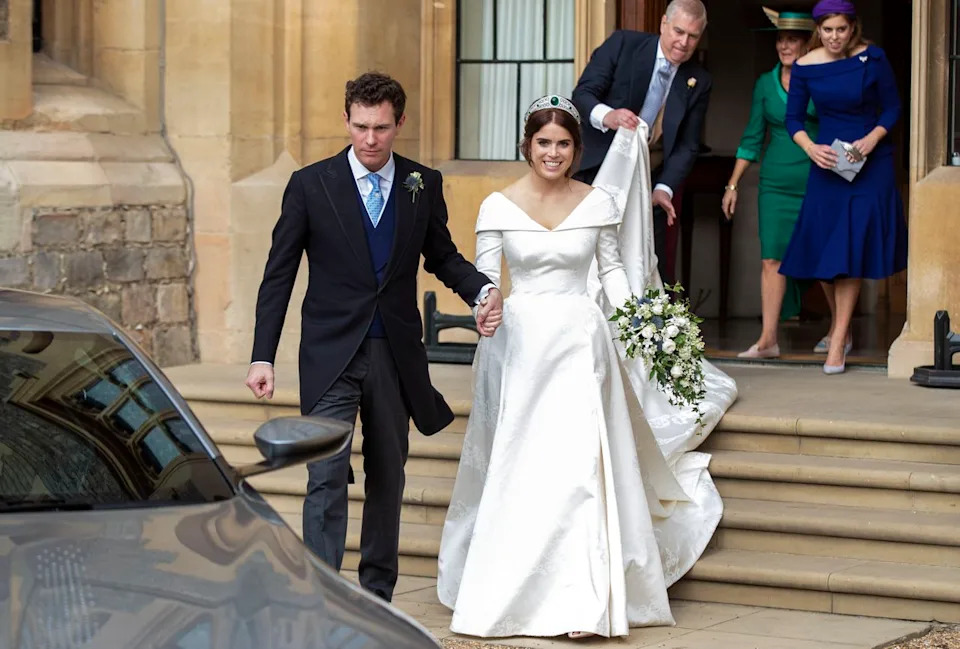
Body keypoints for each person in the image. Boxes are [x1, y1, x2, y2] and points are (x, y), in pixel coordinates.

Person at [437, 96, 732, 639]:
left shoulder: (597, 202)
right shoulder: (497, 206)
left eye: (564, 143)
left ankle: (586, 598)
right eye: (544, 142)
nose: (553, 153)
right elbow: (484, 279)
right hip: (520, 348)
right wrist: (485, 307)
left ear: (577, 149)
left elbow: (612, 271)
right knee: (524, 468)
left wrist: (642, 323)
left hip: (580, 342)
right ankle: (512, 589)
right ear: (527, 146)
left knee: (579, 469)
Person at [244, 72, 503, 602]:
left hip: (394, 353)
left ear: (398, 123)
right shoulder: (310, 185)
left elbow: (442, 256)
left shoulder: (422, 183)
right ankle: (321, 597)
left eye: (381, 128)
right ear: (346, 120)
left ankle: (376, 597)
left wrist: (480, 292)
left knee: (388, 474)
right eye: (360, 126)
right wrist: (261, 356)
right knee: (325, 475)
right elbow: (279, 273)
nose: (369, 139)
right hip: (330, 354)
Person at [780, 0, 907, 374]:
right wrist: (809, 147)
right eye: (827, 29)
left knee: (849, 249)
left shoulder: (874, 58)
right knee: (823, 248)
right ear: (818, 30)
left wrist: (873, 138)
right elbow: (793, 118)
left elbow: (893, 108)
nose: (835, 37)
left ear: (853, 28)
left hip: (870, 161)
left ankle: (837, 340)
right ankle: (843, 327)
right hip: (829, 161)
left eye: (841, 29)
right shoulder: (805, 67)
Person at [572, 0, 711, 285]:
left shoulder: (699, 79)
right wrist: (608, 115)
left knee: (648, 265)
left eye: (693, 36)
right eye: (678, 31)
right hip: (596, 171)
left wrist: (664, 189)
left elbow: (687, 144)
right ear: (663, 24)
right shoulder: (623, 44)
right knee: (584, 260)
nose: (684, 43)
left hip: (650, 184)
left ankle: (643, 327)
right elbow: (583, 94)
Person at [721, 8, 825, 359]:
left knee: (825, 258)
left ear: (807, 41)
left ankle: (843, 332)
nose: (784, 45)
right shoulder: (765, 84)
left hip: (818, 180)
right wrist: (732, 185)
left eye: (792, 38)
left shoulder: (822, 78)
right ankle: (768, 339)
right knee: (771, 259)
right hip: (775, 185)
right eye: (780, 38)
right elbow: (752, 137)